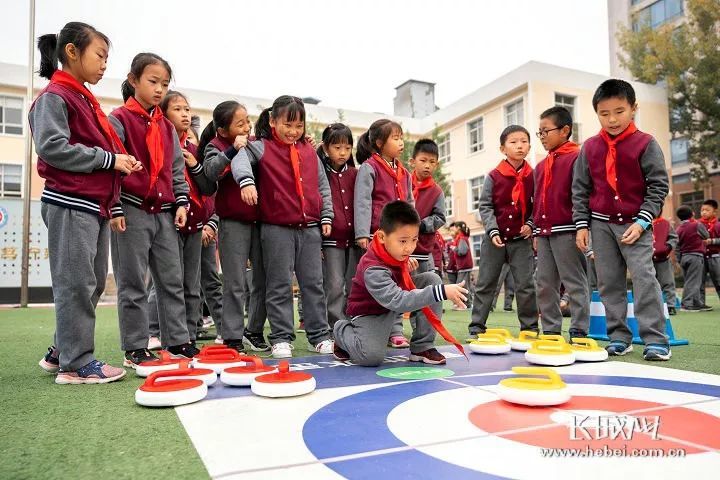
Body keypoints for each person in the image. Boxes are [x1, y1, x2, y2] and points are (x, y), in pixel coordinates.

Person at [31, 22, 138, 383]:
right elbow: (52, 147)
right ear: (72, 52)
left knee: (89, 282)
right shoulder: (55, 96)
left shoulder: (80, 96)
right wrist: (109, 160)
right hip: (70, 201)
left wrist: (118, 161)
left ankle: (63, 349)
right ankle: (76, 364)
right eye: (100, 55)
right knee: (76, 282)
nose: (105, 64)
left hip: (92, 205)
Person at [109, 52, 199, 367]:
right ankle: (135, 347)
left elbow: (176, 169)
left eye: (164, 83)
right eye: (153, 81)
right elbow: (112, 170)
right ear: (133, 80)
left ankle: (177, 341)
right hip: (131, 209)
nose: (160, 89)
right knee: (132, 281)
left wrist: (182, 201)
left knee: (171, 279)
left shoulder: (166, 126)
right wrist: (115, 207)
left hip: (164, 211)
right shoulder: (118, 119)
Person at [573, 79, 671, 360]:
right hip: (600, 224)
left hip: (635, 223)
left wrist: (642, 221)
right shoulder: (590, 147)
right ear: (596, 114)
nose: (612, 119)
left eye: (619, 111)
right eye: (604, 114)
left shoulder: (645, 144)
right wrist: (582, 225)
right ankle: (619, 337)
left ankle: (655, 340)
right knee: (608, 282)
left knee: (643, 277)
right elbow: (580, 189)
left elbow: (658, 186)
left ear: (633, 109)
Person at [233, 96, 335, 358]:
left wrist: (326, 215)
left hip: (310, 228)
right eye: (287, 124)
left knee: (314, 283)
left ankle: (319, 335)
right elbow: (239, 160)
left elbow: (321, 184)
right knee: (278, 285)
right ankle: (281, 337)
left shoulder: (309, 151)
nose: (293, 131)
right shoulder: (260, 147)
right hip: (276, 228)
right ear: (272, 121)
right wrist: (246, 181)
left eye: (298, 125)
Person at [333, 201, 468, 366]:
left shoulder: (394, 251)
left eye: (414, 240)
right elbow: (398, 300)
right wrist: (441, 292)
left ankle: (422, 347)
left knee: (432, 280)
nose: (409, 248)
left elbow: (397, 282)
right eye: (403, 241)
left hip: (391, 303)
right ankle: (341, 330)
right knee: (370, 357)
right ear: (382, 237)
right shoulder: (372, 268)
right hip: (371, 311)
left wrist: (404, 263)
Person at [146, 91, 216, 348]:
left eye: (187, 109)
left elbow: (209, 188)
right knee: (165, 282)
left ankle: (187, 336)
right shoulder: (158, 143)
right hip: (168, 220)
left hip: (195, 224)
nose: (185, 114)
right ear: (163, 113)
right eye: (177, 109)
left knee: (191, 284)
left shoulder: (195, 149)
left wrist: (196, 165)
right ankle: (154, 332)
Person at [200, 101, 269, 352]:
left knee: (261, 279)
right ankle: (232, 336)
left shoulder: (254, 143)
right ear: (222, 130)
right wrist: (231, 151)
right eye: (240, 123)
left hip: (260, 220)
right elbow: (210, 171)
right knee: (235, 282)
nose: (247, 126)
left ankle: (255, 329)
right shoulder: (214, 146)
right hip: (232, 222)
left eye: (247, 120)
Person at [469, 125, 538, 336]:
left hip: (521, 240)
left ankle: (530, 328)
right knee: (486, 284)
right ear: (503, 148)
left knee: (525, 285)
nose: (519, 146)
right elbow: (486, 205)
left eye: (524, 141)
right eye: (513, 142)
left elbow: (539, 205)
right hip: (495, 240)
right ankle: (476, 327)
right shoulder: (494, 176)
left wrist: (532, 224)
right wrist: (492, 230)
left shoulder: (534, 176)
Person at [354, 119, 414, 348]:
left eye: (401, 137)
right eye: (395, 138)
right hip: (377, 237)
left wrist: (411, 236)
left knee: (398, 283)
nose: (401, 142)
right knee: (379, 285)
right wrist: (362, 233)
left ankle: (396, 330)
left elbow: (410, 205)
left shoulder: (404, 173)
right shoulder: (369, 168)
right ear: (379, 143)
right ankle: (371, 328)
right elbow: (362, 202)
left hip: (399, 239)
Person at [533, 106, 589, 339]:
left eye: (546, 131)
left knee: (574, 282)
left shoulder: (577, 157)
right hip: (544, 232)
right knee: (544, 283)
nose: (543, 136)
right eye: (540, 132)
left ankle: (579, 330)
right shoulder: (541, 165)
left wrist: (581, 226)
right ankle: (551, 331)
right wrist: (536, 231)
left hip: (568, 230)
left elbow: (582, 195)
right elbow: (536, 200)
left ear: (565, 130)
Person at [318, 123, 361, 329]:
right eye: (337, 147)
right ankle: (335, 325)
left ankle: (354, 322)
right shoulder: (319, 174)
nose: (343, 152)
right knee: (334, 285)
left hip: (354, 240)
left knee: (354, 284)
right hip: (331, 240)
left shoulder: (356, 174)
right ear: (326, 148)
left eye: (347, 147)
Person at [676, 205, 712, 312]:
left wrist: (679, 259)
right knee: (693, 281)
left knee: (693, 280)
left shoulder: (678, 228)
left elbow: (677, 245)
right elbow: (706, 235)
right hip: (695, 256)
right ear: (692, 213)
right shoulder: (696, 224)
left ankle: (697, 303)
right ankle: (686, 304)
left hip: (684, 257)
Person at [651, 214, 678, 315]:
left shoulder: (665, 223)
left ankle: (670, 306)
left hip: (663, 259)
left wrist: (668, 247)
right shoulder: (641, 222)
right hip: (647, 259)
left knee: (668, 282)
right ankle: (652, 306)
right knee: (649, 283)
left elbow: (674, 237)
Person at [448, 221, 473, 310]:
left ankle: (465, 304)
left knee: (462, 285)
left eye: (454, 227)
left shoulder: (462, 238)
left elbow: (462, 251)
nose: (452, 229)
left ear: (458, 228)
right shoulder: (460, 238)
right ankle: (467, 304)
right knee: (464, 285)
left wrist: (455, 249)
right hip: (463, 266)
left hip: (464, 266)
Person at [699, 199, 720, 304]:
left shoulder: (718, 225)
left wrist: (712, 241)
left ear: (714, 212)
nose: (704, 212)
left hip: (715, 256)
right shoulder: (698, 224)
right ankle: (701, 304)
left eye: (707, 210)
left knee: (718, 280)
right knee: (700, 282)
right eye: (702, 210)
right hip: (701, 257)